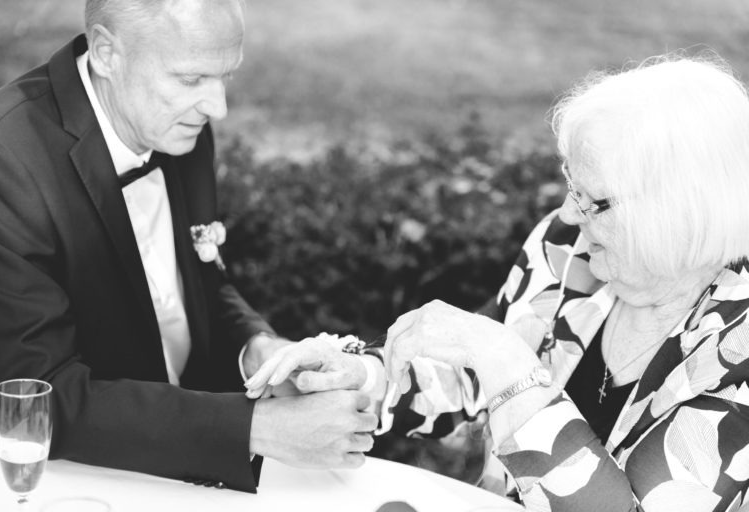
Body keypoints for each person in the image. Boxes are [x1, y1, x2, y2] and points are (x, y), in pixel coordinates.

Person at [246, 55, 749, 511]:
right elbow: (467, 379)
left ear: (678, 215)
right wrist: (363, 376)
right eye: (570, 184)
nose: (568, 214)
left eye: (592, 200)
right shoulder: (566, 249)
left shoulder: (737, 354)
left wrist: (509, 364)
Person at [0, 0, 378, 492]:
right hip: (58, 484)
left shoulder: (178, 127)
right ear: (107, 53)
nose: (218, 107)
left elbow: (198, 289)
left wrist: (258, 351)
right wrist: (254, 428)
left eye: (224, 77)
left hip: (181, 476)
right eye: (191, 80)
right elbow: (41, 397)